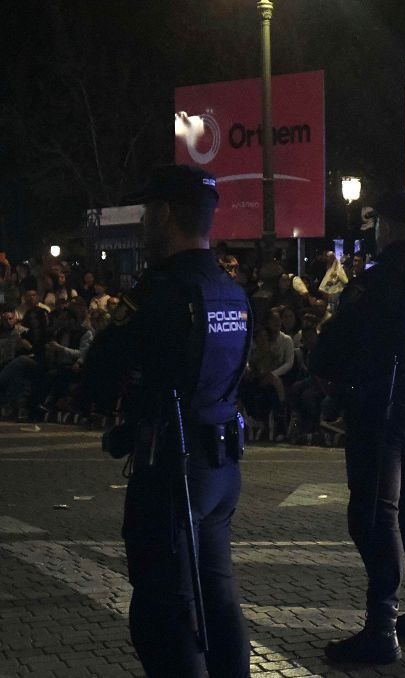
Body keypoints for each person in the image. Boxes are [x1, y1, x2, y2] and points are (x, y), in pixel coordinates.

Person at [83, 165, 251, 677]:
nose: (142, 223)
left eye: (146, 212)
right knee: (217, 598)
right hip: (220, 462)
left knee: (165, 609)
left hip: (172, 469)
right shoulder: (229, 288)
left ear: (165, 214)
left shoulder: (161, 291)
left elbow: (96, 378)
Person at [311, 191, 405, 664]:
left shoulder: (380, 281)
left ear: (386, 227)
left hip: (381, 405)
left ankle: (381, 627)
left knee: (375, 514)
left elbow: (328, 353)